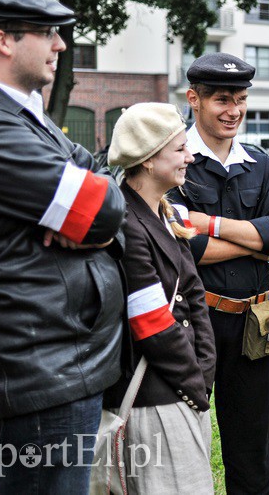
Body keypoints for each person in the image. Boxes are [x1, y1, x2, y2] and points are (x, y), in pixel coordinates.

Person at [0, 0, 126, 492]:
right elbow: (104, 207)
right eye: (48, 31)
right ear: (4, 40)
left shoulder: (17, 114)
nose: (60, 44)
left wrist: (93, 219)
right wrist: (97, 222)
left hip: (55, 362)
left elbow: (102, 177)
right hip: (36, 370)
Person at [169, 52, 269, 494]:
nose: (234, 111)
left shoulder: (260, 164)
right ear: (194, 99)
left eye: (240, 99)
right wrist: (251, 242)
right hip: (191, 321)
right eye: (222, 99)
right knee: (184, 441)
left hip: (252, 324)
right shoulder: (173, 160)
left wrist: (211, 224)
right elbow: (184, 246)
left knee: (254, 448)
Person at [105, 103, 217, 492]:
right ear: (150, 160)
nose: (190, 157)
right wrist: (195, 381)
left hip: (182, 387)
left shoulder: (164, 213)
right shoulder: (127, 223)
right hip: (154, 394)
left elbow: (194, 296)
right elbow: (151, 322)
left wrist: (204, 370)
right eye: (180, 149)